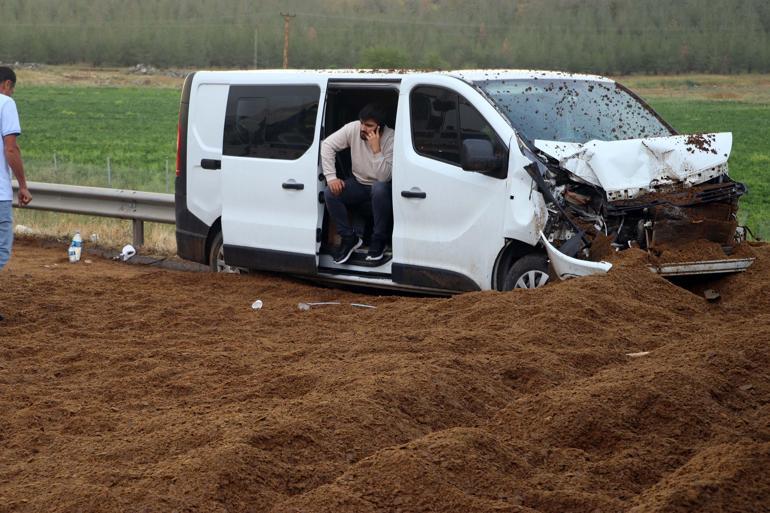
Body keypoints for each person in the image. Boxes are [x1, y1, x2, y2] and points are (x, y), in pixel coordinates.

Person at [321, 103, 394, 264]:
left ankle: (379, 239)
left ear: (379, 128)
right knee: (330, 192)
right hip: (359, 183)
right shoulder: (354, 128)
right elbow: (327, 145)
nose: (363, 128)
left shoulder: (391, 138)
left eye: (369, 126)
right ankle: (349, 238)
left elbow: (383, 177)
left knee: (379, 188)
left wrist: (376, 150)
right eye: (362, 123)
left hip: (382, 187)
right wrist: (331, 177)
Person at [1, 66, 32, 320]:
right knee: (1, 249)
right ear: (7, 84)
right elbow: (10, 149)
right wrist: (22, 184)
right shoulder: (6, 103)